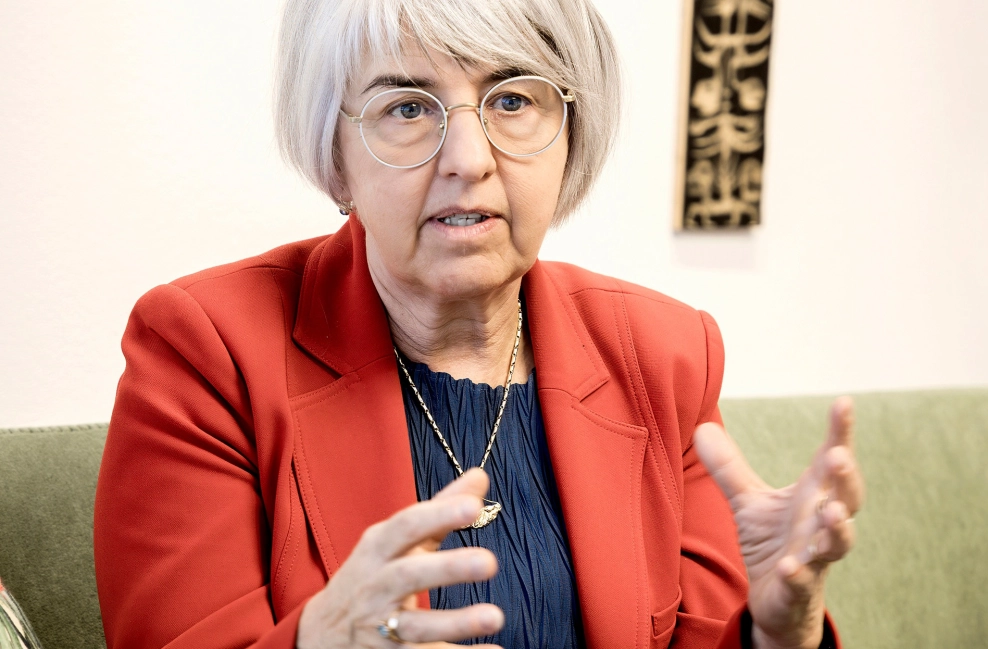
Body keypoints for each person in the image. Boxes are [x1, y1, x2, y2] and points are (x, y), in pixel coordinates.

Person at [93, 0, 864, 647]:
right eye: (407, 107)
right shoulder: (206, 352)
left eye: (513, 99)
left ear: (570, 133)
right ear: (336, 153)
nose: (468, 157)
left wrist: (776, 632)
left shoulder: (662, 355)